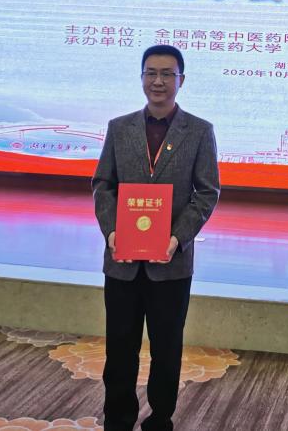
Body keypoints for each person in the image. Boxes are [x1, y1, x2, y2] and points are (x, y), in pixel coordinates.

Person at [92, 45, 220, 431]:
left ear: (181, 80)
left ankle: (160, 420)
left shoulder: (199, 131)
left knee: (166, 350)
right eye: (151, 73)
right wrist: (112, 231)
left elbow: (206, 192)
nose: (158, 81)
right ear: (142, 78)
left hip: (171, 263)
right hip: (123, 261)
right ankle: (118, 420)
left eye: (167, 74)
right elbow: (103, 185)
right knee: (120, 349)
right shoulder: (120, 128)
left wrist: (177, 238)